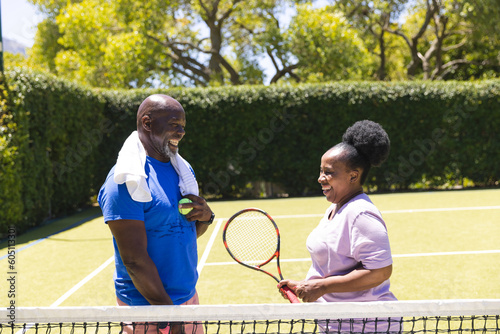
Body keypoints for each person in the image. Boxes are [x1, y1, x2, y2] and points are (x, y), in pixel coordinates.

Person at [98, 94, 215, 334]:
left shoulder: (182, 169)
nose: (181, 132)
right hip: (146, 309)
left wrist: (206, 217)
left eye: (183, 126)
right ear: (147, 123)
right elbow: (134, 259)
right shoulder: (125, 179)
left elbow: (184, 233)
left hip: (187, 300)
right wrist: (170, 316)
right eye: (174, 125)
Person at [278, 120, 399, 333]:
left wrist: (323, 287)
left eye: (328, 172)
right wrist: (305, 284)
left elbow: (380, 271)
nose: (320, 178)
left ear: (353, 176)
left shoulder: (361, 213)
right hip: (337, 323)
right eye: (320, 171)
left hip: (367, 326)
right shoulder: (335, 208)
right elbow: (335, 264)